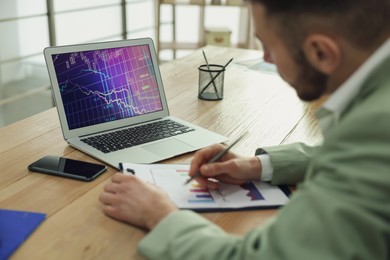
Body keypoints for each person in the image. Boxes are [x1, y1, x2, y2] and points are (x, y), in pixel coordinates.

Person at [99, 0, 390, 259]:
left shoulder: (374, 127)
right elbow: (357, 160)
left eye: (269, 46)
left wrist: (159, 214)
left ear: (320, 52)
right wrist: (256, 165)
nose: (266, 58)